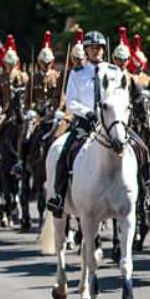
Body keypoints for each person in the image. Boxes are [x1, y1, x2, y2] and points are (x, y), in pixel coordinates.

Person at [47, 30, 109, 216]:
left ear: (104, 50)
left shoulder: (113, 71)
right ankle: (58, 196)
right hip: (86, 124)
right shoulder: (77, 74)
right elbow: (71, 101)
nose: (96, 51)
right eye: (92, 48)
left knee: (138, 149)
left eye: (99, 48)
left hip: (109, 124)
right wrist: (87, 112)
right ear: (86, 50)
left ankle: (145, 195)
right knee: (64, 152)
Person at [0, 35, 30, 151]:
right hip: (6, 112)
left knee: (29, 134)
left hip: (21, 110)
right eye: (7, 64)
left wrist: (27, 108)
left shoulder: (23, 77)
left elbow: (27, 95)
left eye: (12, 64)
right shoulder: (1, 78)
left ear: (16, 63)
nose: (9, 66)